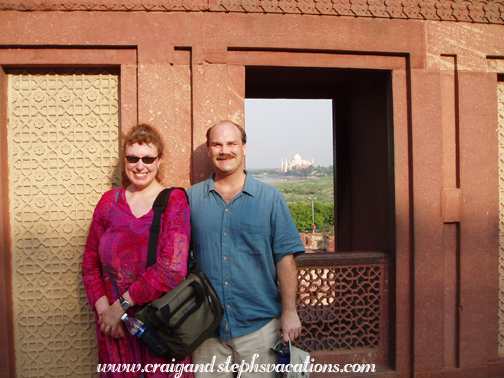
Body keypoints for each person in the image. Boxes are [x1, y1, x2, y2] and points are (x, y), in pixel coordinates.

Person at [188, 120, 305, 377]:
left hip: (259, 327)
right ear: (208, 150)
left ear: (244, 148)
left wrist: (289, 311)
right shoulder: (191, 199)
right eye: (217, 144)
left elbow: (285, 259)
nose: (225, 150)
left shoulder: (270, 199)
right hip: (206, 330)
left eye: (232, 143)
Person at [82, 123, 193, 378]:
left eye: (148, 158)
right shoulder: (108, 203)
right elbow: (89, 265)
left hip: (157, 326)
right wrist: (106, 315)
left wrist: (120, 307)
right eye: (132, 158)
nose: (139, 165)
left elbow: (172, 270)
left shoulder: (173, 201)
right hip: (114, 331)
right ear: (125, 160)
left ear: (159, 160)